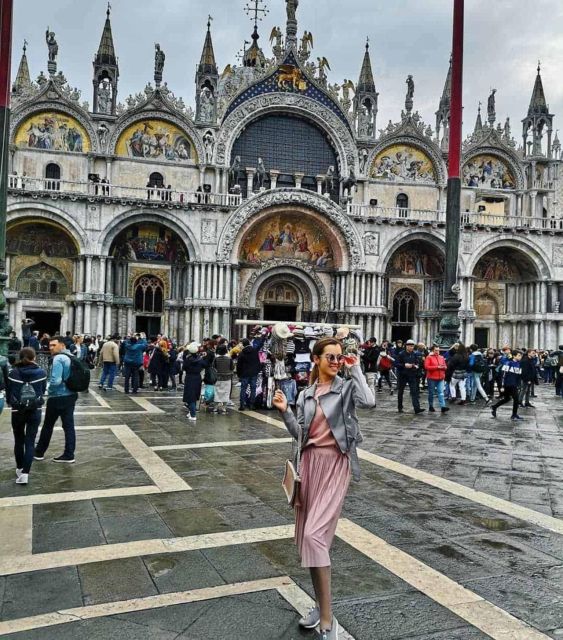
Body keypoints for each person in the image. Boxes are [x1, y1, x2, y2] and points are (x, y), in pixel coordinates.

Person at [272, 337, 375, 640]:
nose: (335, 361)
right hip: (310, 467)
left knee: (314, 536)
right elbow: (300, 435)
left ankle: (328, 622)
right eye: (330, 357)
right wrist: (284, 411)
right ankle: (320, 606)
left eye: (339, 357)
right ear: (315, 359)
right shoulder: (305, 394)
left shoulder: (344, 390)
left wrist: (355, 369)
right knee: (309, 541)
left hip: (334, 467)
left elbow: (369, 401)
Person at [34, 336, 79, 463]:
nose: (51, 348)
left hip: (58, 397)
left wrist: (49, 391)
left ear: (62, 345)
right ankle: (69, 454)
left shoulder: (59, 358)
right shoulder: (71, 356)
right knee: (69, 426)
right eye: (50, 345)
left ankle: (39, 452)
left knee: (48, 425)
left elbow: (56, 380)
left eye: (54, 345)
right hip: (71, 395)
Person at [8, 347, 47, 484]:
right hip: (35, 409)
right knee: (30, 441)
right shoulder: (41, 372)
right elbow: (42, 390)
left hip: (17, 410)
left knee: (19, 440)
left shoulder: (13, 373)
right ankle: (25, 474)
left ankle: (19, 468)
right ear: (34, 357)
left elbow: (9, 391)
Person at [491, 349, 523, 420]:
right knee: (516, 399)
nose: (520, 357)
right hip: (508, 384)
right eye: (519, 355)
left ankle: (494, 407)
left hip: (514, 384)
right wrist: (502, 385)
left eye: (521, 356)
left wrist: (518, 384)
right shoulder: (508, 363)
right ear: (514, 356)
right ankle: (514, 415)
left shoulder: (519, 364)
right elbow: (503, 375)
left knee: (507, 398)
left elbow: (518, 376)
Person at [395, 339, 424, 414]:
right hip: (402, 375)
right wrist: (404, 365)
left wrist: (416, 366)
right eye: (410, 346)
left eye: (412, 346)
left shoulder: (415, 354)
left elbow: (418, 363)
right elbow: (396, 364)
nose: (411, 348)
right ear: (406, 346)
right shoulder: (401, 354)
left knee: (414, 392)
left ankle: (417, 408)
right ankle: (400, 407)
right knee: (400, 392)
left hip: (412, 375)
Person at [182, 343, 210, 421]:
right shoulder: (200, 359)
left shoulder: (188, 359)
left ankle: (193, 414)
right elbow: (205, 365)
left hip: (189, 377)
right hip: (197, 377)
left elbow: (184, 368)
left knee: (190, 396)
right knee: (194, 395)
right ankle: (191, 412)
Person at [236, 338, 262, 411]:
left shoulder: (242, 353)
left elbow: (239, 365)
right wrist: (257, 371)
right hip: (254, 373)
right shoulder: (254, 351)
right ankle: (251, 405)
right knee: (253, 389)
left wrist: (239, 374)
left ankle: (242, 405)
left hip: (244, 374)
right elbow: (258, 362)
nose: (240, 345)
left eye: (240, 343)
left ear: (243, 344)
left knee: (243, 389)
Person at [424, 344, 449, 414]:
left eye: (438, 350)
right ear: (433, 350)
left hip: (440, 378)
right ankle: (431, 406)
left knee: (441, 393)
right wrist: (437, 367)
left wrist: (444, 367)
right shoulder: (429, 357)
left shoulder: (441, 357)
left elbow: (445, 366)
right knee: (431, 393)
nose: (437, 352)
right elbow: (426, 367)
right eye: (436, 350)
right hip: (431, 378)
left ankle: (443, 407)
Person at [214, 344, 234, 414]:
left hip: (218, 377)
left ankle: (215, 407)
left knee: (217, 392)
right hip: (227, 377)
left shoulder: (216, 359)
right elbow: (232, 368)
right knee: (226, 392)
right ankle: (224, 408)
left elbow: (214, 368)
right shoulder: (229, 359)